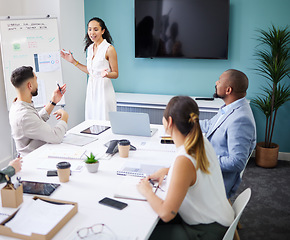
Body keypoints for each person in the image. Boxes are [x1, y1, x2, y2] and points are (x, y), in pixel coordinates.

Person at [137, 96, 234, 240]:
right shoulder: (201, 142)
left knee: (143, 233)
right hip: (218, 219)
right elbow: (194, 170)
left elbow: (167, 213)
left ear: (169, 122)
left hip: (205, 231)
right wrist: (168, 170)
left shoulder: (184, 159)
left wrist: (147, 192)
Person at [200, 69, 256, 199]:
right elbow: (210, 125)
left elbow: (237, 162)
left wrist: (202, 160)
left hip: (216, 182)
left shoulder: (241, 119)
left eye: (219, 81)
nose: (216, 82)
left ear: (228, 90)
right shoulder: (230, 107)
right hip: (210, 171)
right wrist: (186, 122)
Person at [61, 17, 118, 120]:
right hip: (91, 89)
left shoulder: (109, 49)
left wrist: (107, 74)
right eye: (89, 29)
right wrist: (73, 61)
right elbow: (90, 71)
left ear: (103, 31)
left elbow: (115, 73)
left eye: (96, 29)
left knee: (104, 120)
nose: (92, 32)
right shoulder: (90, 48)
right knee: (91, 120)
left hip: (104, 90)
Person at [9, 66, 68, 156]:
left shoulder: (17, 105)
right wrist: (64, 117)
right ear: (30, 85)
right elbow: (56, 136)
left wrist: (53, 101)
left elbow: (36, 120)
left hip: (36, 153)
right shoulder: (24, 115)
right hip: (33, 159)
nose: (37, 83)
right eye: (36, 80)